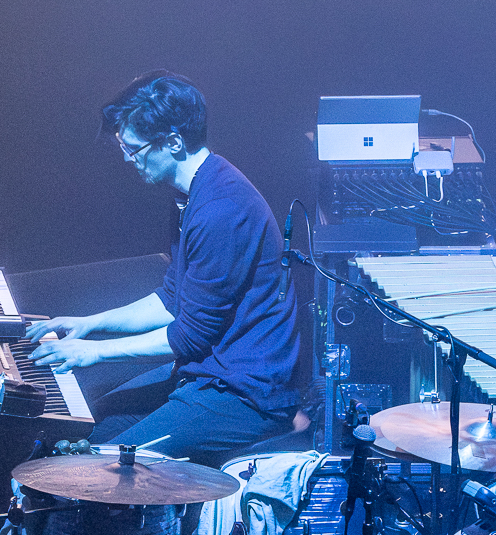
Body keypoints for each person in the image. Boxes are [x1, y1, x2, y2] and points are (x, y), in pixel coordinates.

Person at [23, 72, 304, 466]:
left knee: (102, 466)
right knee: (87, 430)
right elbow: (172, 299)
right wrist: (90, 323)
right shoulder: (192, 195)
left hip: (244, 394)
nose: (127, 159)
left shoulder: (221, 211)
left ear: (173, 142)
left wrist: (94, 352)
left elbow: (188, 336)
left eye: (133, 149)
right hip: (208, 374)